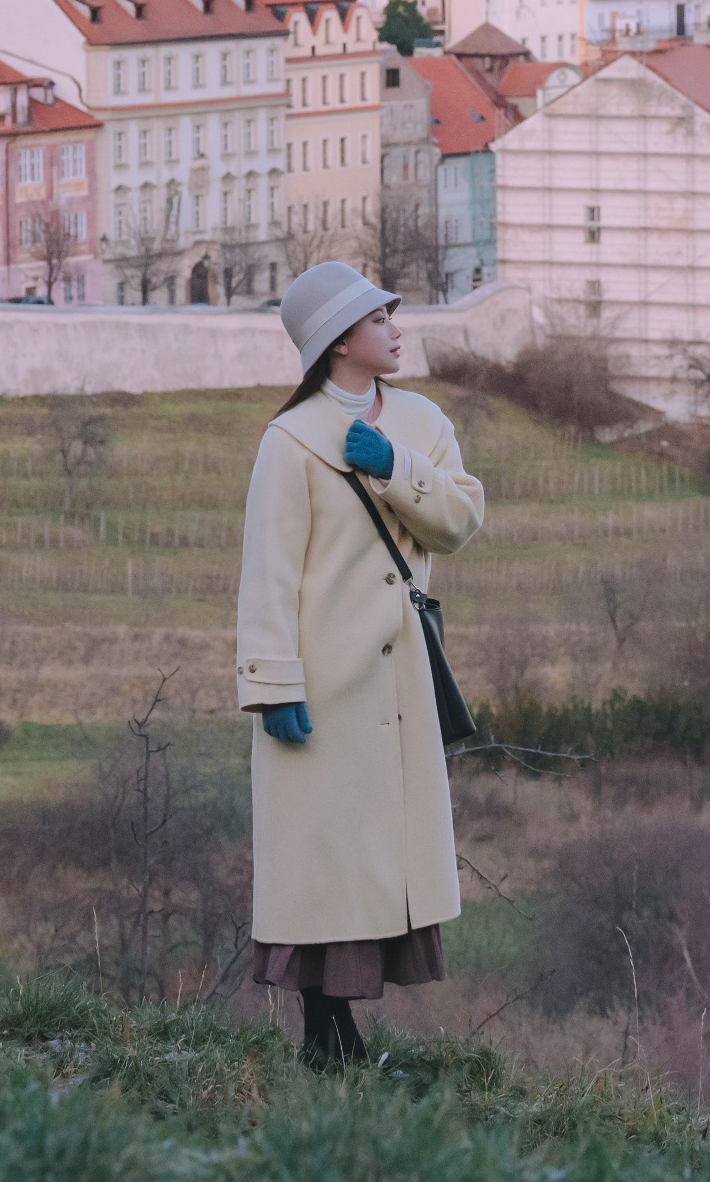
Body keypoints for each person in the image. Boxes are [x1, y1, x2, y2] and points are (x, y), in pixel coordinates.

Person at [234, 261, 487, 1069]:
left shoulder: (420, 423)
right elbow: (268, 572)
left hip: (401, 686)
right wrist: (273, 684)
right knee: (320, 859)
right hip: (322, 684)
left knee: (377, 857)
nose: (396, 327)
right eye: (380, 318)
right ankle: (324, 1034)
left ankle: (337, 1036)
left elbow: (459, 521)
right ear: (340, 340)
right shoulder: (290, 440)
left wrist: (391, 466)